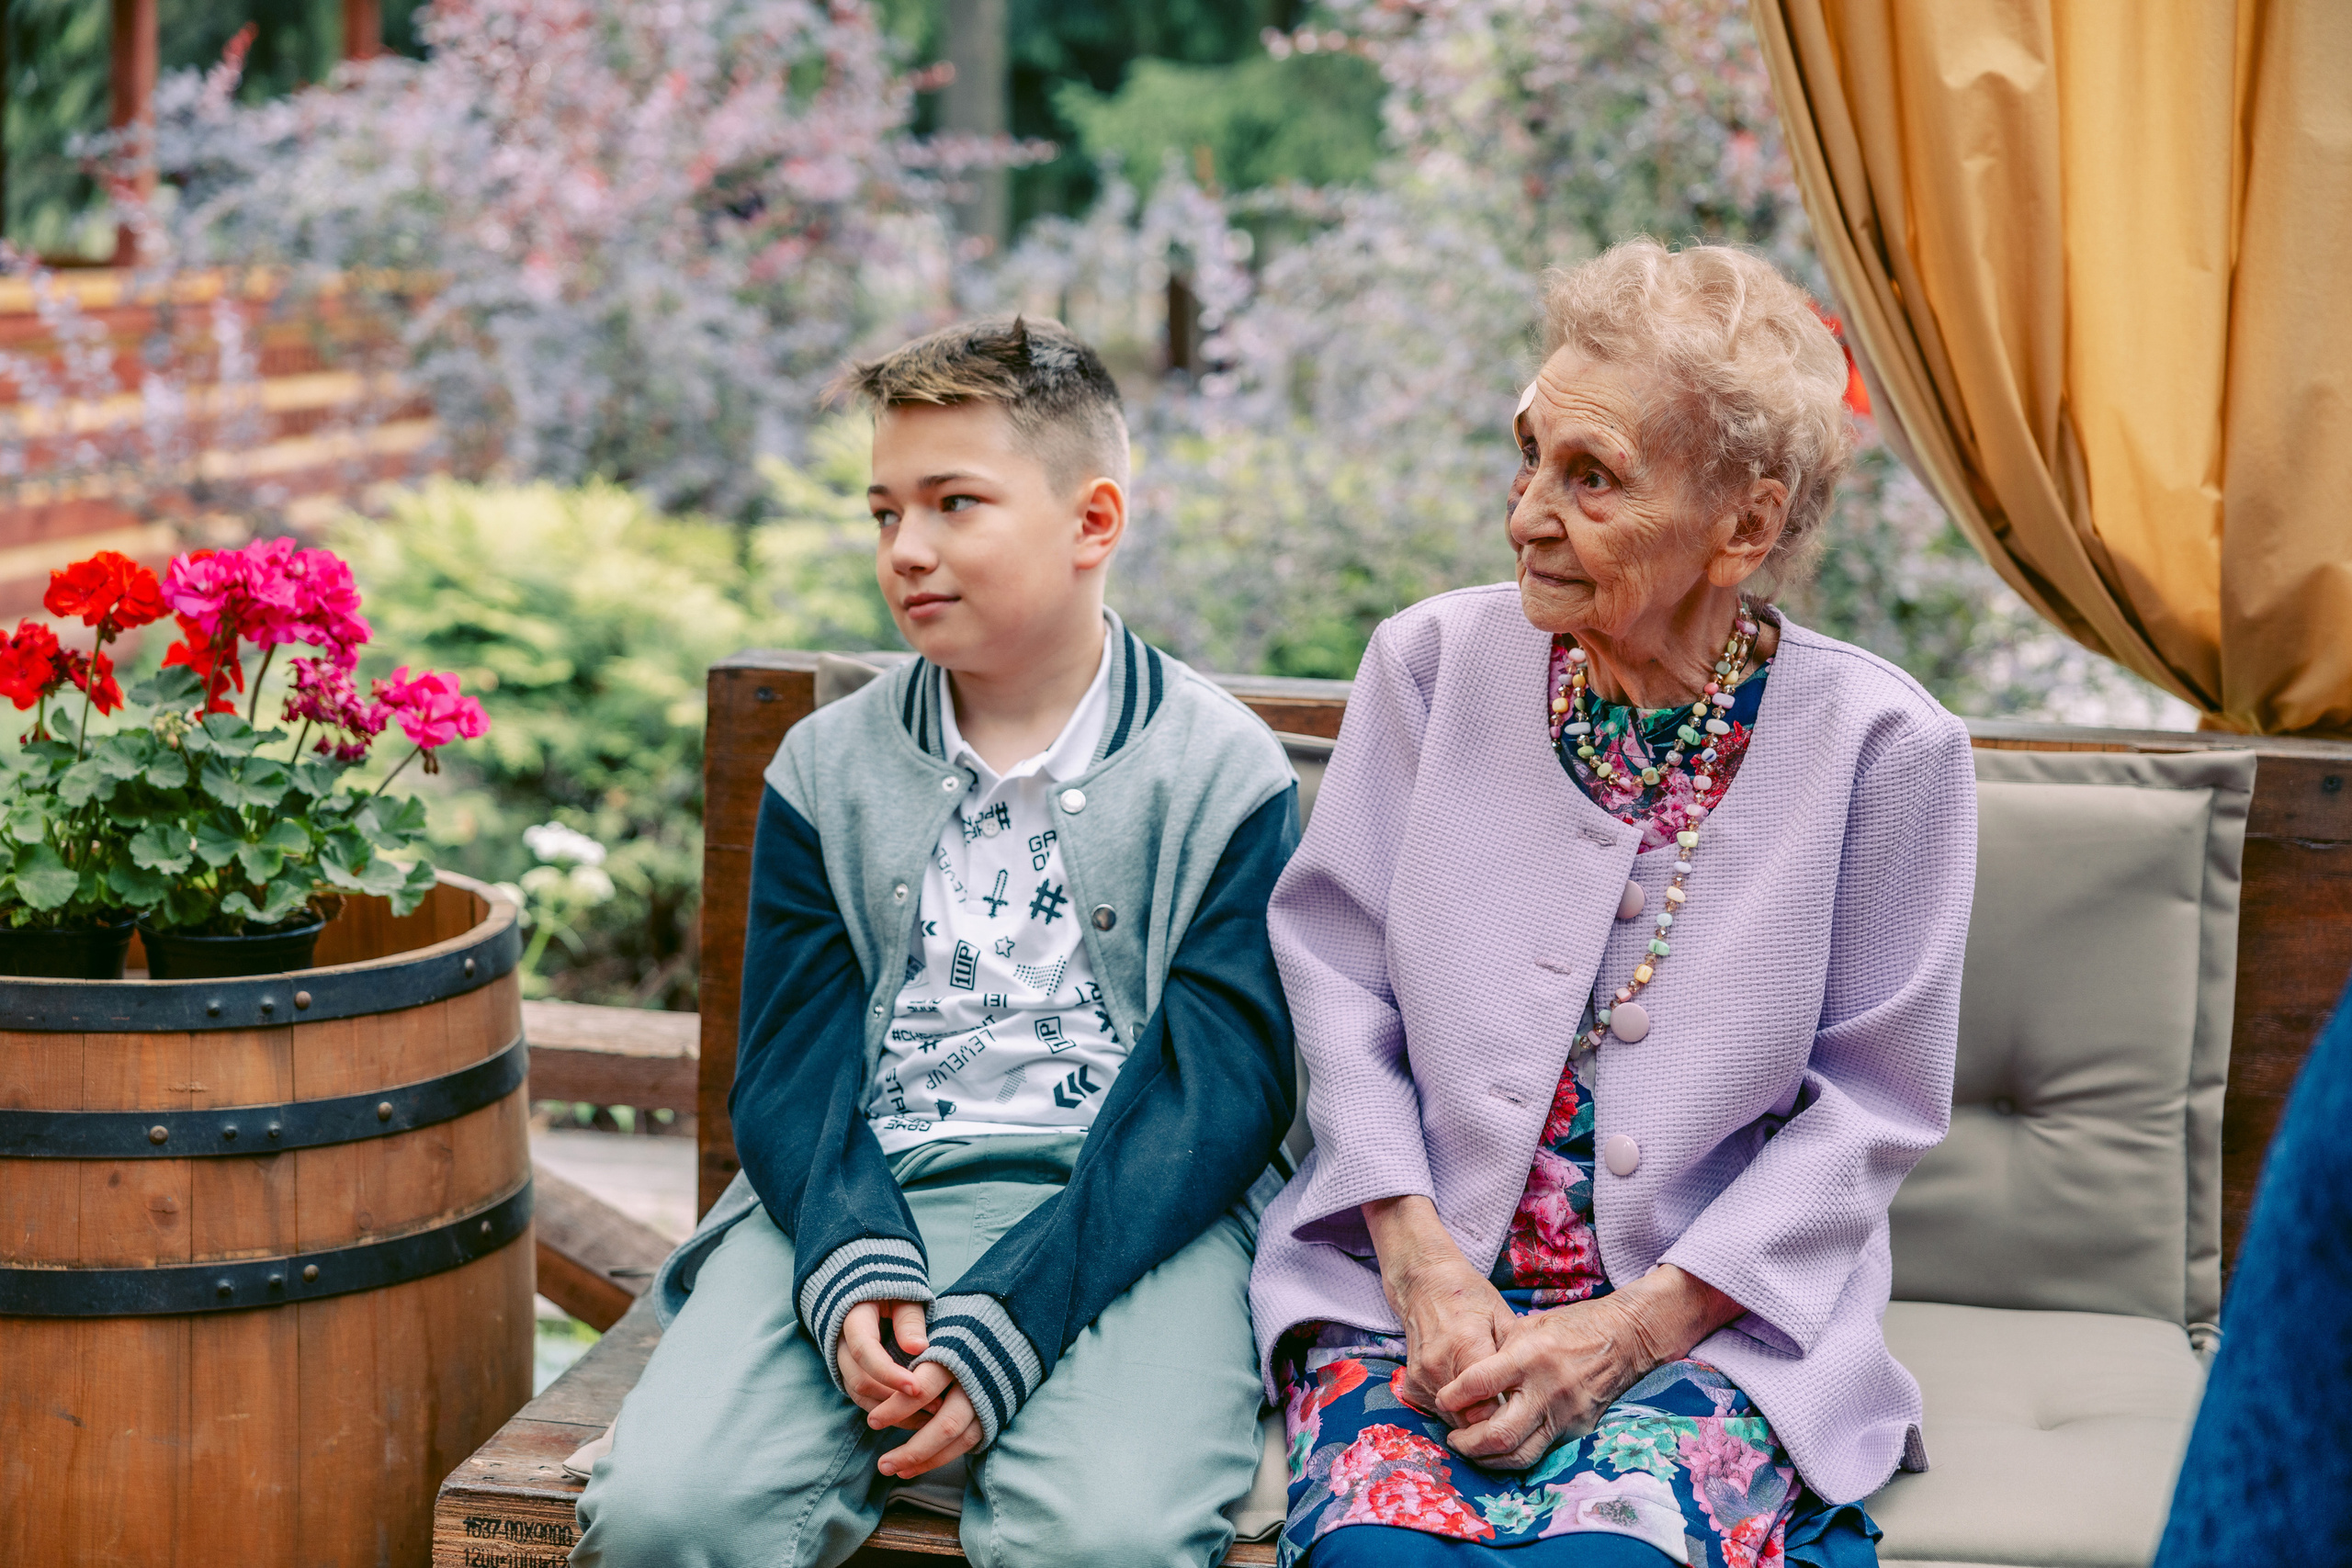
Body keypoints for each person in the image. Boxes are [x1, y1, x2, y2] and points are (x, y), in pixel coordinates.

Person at [1249, 241, 1977, 1568]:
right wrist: (1421, 1267)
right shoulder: (1427, 667)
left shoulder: (1887, 749)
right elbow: (1333, 974)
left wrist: (1631, 1329)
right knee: (1379, 1559)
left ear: (1743, 528)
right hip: (1414, 1291)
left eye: (1590, 478)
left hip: (1710, 1321)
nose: (1527, 510)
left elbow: (1872, 1108)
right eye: (1529, 456)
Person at [574, 315, 1300, 1568]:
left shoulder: (1220, 774)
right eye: (883, 513)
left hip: (1132, 1214)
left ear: (1093, 522)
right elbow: (792, 1070)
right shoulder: (825, 769)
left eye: (955, 503)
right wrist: (852, 1269)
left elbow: (1216, 1103)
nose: (907, 550)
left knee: (1103, 1539)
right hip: (863, 1189)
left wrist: (1010, 1321)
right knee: (666, 1517)